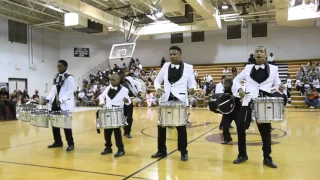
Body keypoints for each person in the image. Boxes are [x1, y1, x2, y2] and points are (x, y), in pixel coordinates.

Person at [232, 46, 281, 168]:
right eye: (256, 52)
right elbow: (236, 80)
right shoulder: (248, 68)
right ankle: (242, 154)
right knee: (240, 126)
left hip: (264, 102)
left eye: (261, 52)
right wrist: (239, 89)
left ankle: (267, 157)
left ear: (265, 54)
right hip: (248, 100)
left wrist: (279, 88)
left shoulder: (274, 69)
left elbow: (278, 84)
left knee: (265, 130)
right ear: (254, 54)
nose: (258, 53)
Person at [151, 45, 196, 161]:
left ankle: (183, 151)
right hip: (166, 100)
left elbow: (192, 84)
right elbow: (157, 80)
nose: (172, 56)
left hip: (180, 100)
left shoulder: (188, 67)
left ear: (180, 54)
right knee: (161, 125)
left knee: (181, 128)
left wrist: (192, 89)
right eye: (170, 54)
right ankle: (161, 150)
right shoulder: (165, 66)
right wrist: (158, 89)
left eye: (174, 54)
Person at [44, 60, 75, 152]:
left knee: (66, 125)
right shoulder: (57, 76)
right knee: (55, 124)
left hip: (64, 104)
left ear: (66, 67)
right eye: (57, 66)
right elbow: (53, 90)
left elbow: (70, 92)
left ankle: (70, 144)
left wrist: (60, 100)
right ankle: (58, 142)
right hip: (55, 103)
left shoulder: (70, 78)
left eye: (60, 66)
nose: (58, 68)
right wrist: (48, 99)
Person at [98, 74, 131, 157]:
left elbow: (128, 102)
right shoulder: (107, 88)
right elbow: (101, 96)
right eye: (111, 80)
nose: (111, 81)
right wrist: (102, 103)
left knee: (117, 132)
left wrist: (127, 101)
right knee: (107, 132)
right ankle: (108, 148)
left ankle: (121, 149)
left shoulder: (124, 90)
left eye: (113, 80)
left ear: (118, 80)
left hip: (118, 113)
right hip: (108, 112)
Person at [118, 70, 142, 138]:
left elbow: (137, 83)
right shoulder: (117, 82)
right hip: (120, 102)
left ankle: (127, 132)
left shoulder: (129, 79)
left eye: (124, 76)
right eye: (122, 76)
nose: (124, 77)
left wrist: (139, 90)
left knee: (129, 118)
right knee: (122, 117)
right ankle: (125, 129)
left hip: (129, 101)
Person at [220, 78, 241, 144]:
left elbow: (240, 94)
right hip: (228, 111)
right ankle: (227, 138)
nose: (225, 85)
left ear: (230, 84)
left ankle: (241, 139)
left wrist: (235, 96)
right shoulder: (225, 91)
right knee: (225, 126)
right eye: (224, 83)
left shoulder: (236, 88)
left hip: (236, 111)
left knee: (239, 126)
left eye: (226, 83)